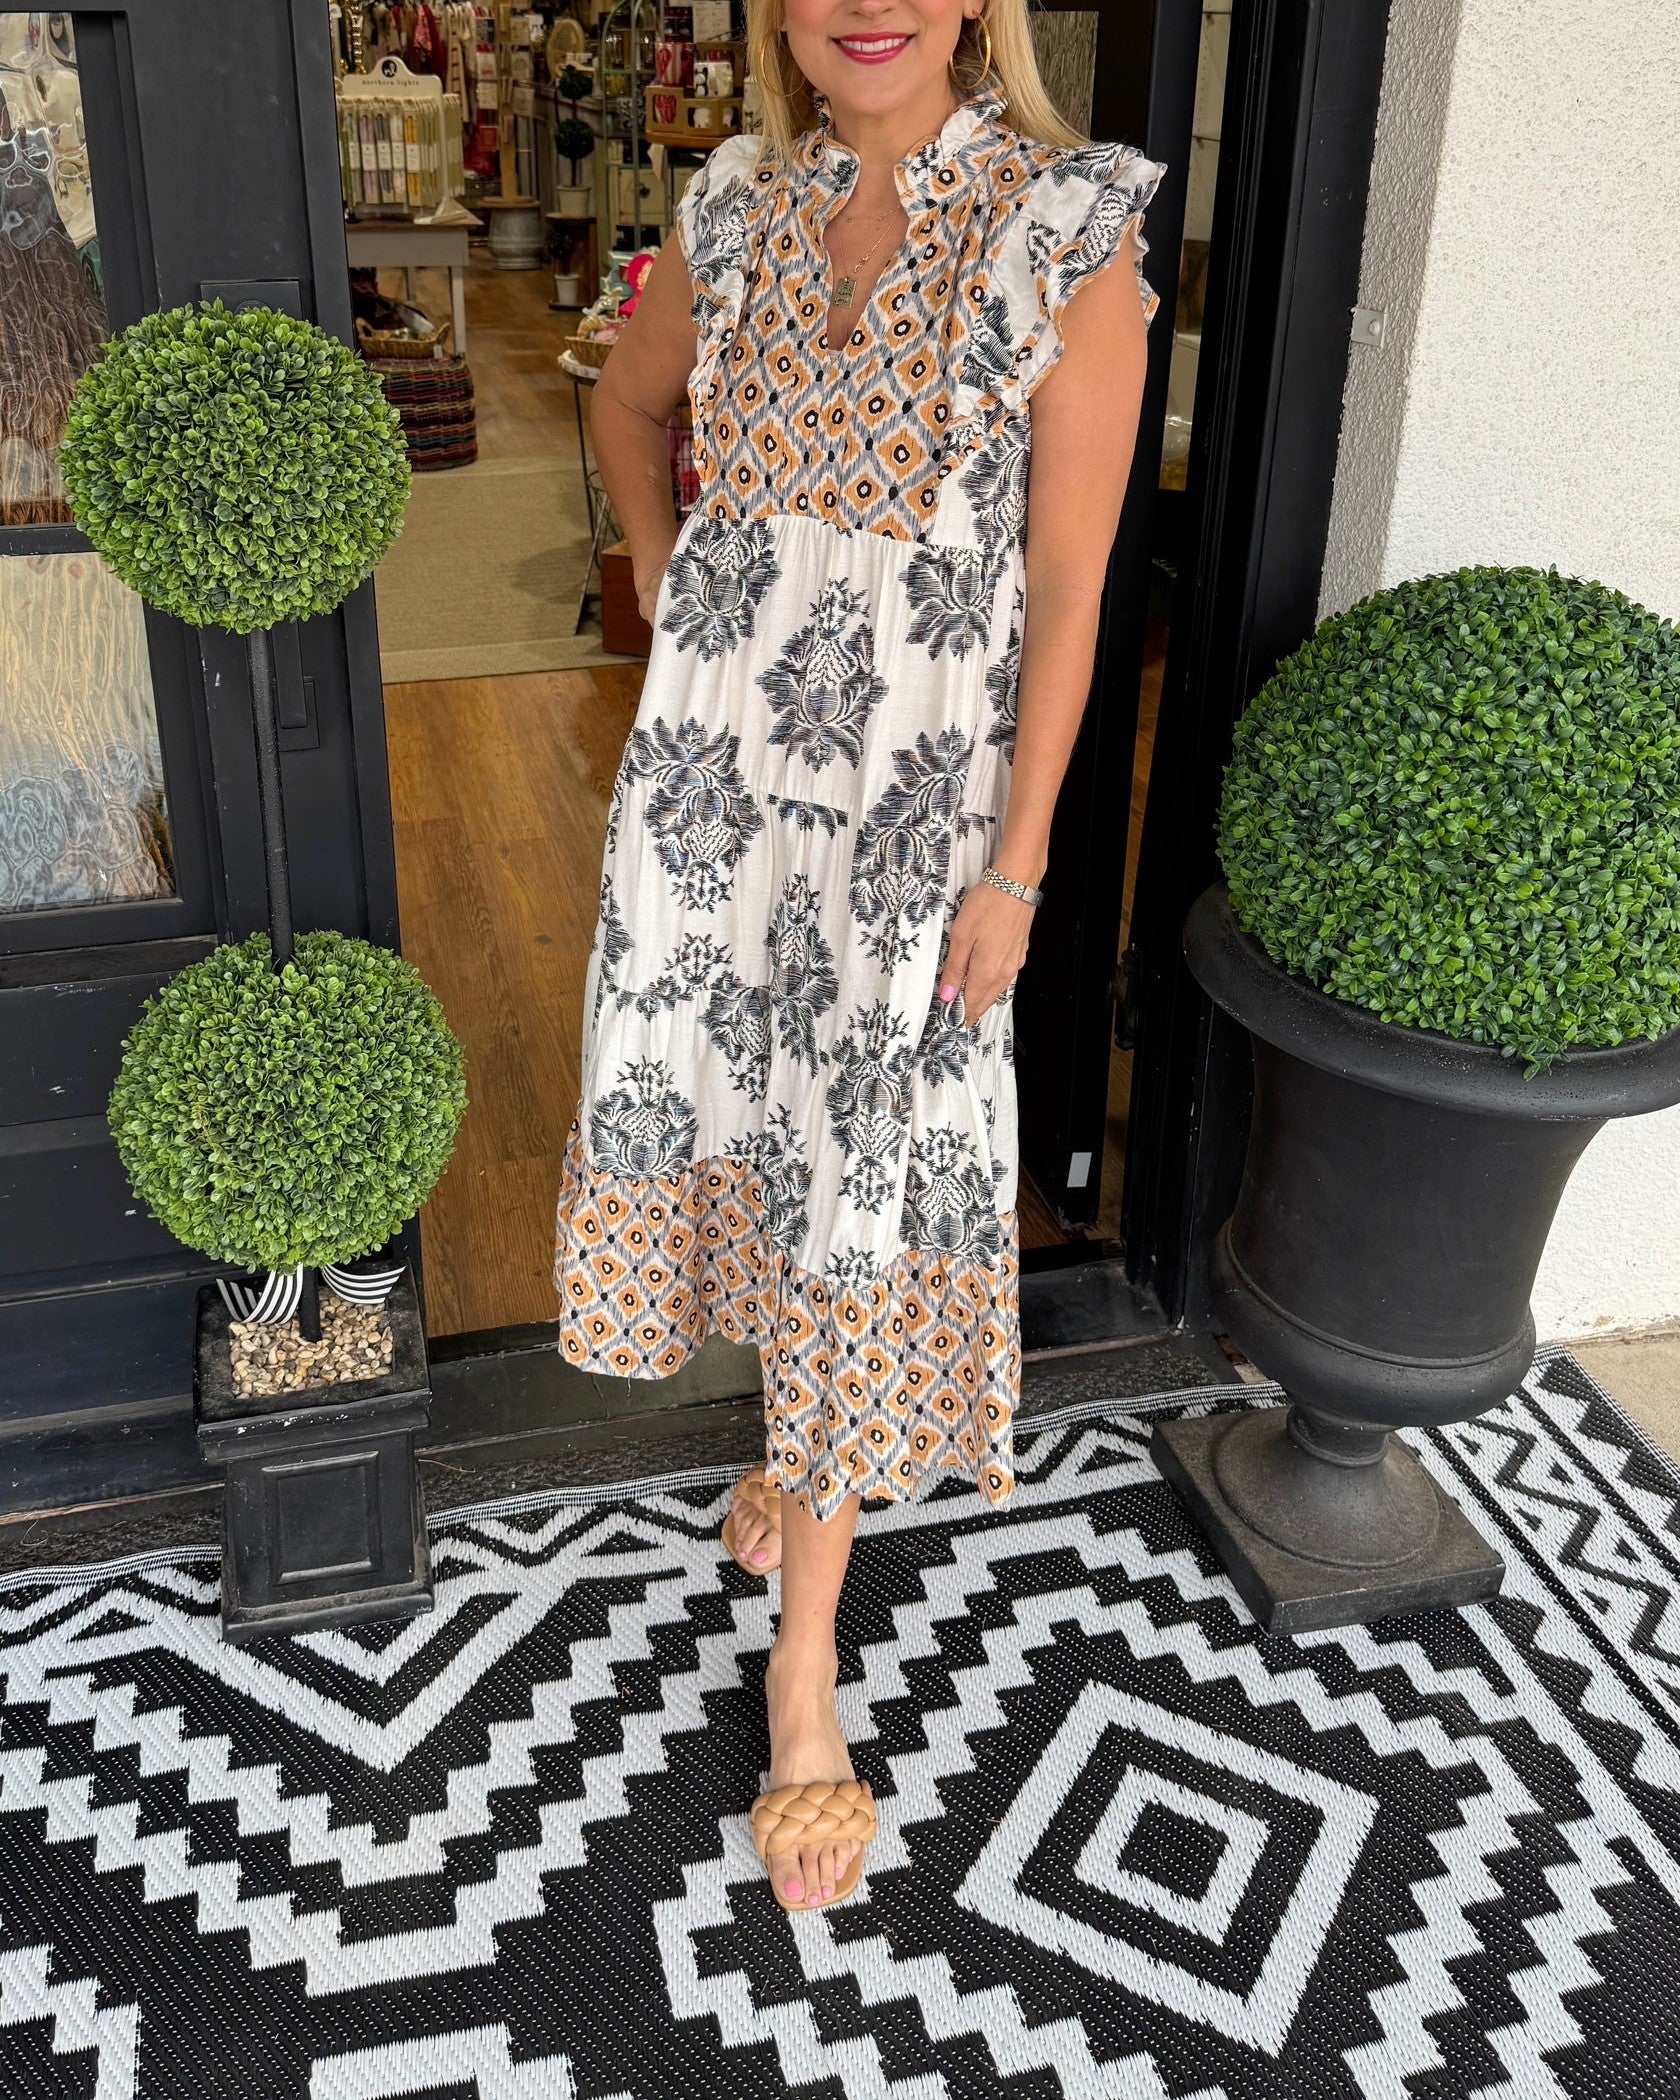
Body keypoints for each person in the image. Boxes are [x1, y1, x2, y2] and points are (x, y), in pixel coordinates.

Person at [555, 0, 1162, 1915]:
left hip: (916, 827)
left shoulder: (1067, 228)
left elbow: (1072, 585)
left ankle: (804, 1663)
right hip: (716, 795)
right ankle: (790, 1441)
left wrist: (1022, 869)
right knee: (746, 1125)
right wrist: (673, 584)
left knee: (851, 1180)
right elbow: (623, 407)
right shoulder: (734, 206)